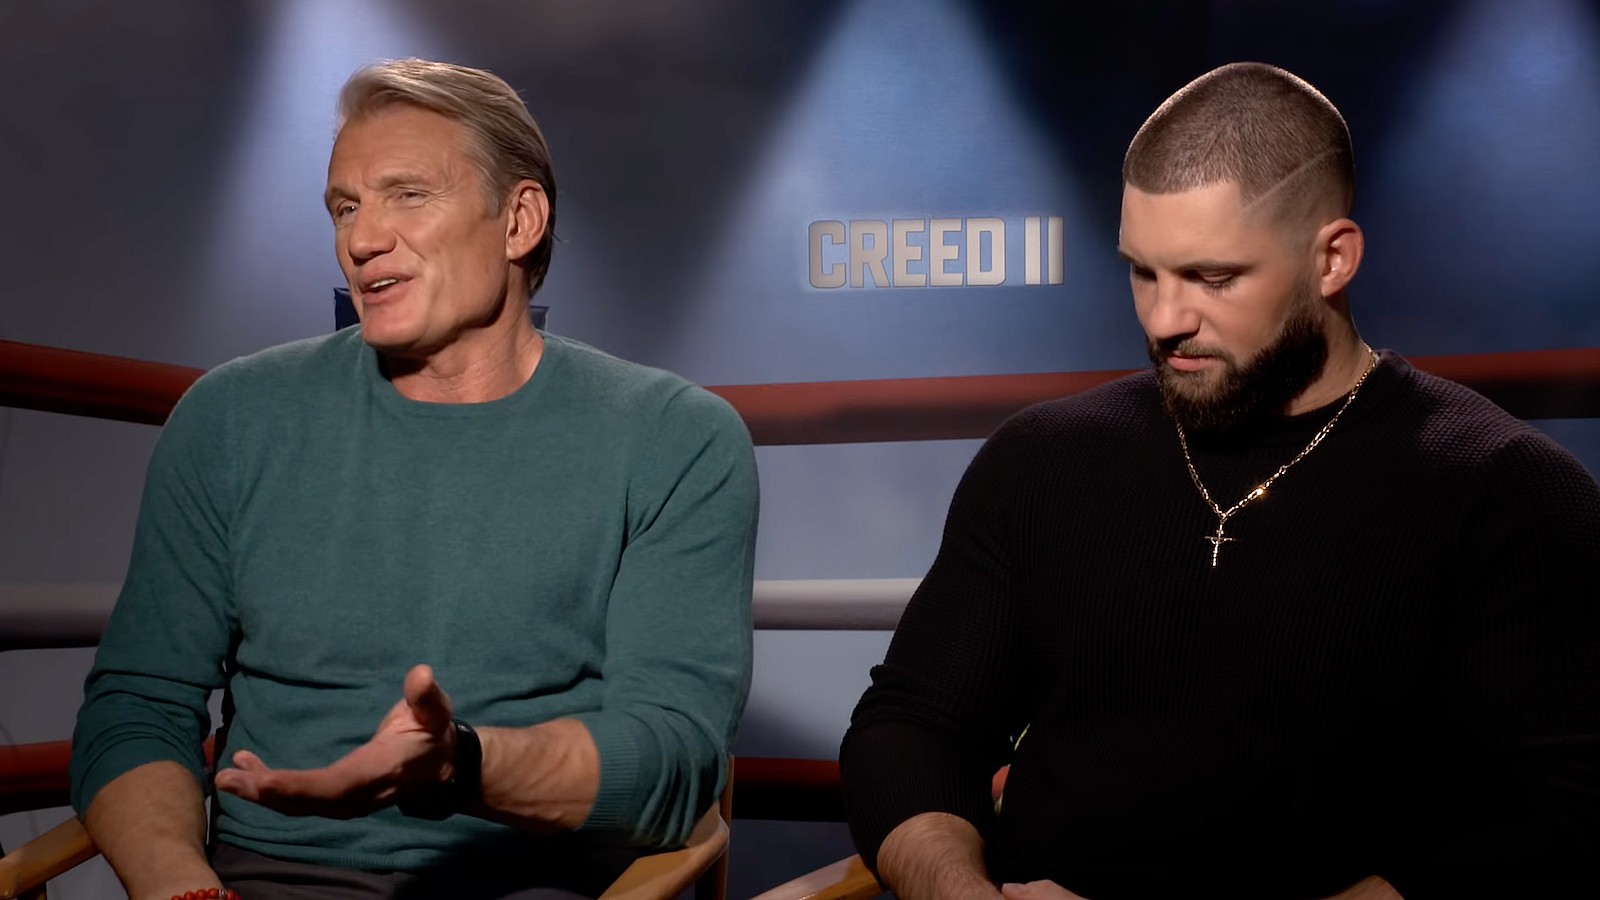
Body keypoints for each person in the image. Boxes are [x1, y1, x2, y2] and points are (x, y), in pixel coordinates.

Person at [840, 61, 1600, 900]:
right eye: (1143, 271)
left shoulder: (1503, 491)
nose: (1166, 320)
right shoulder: (1041, 460)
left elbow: (1563, 817)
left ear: (1332, 259)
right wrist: (961, 892)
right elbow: (912, 728)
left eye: (1212, 277)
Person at [69, 58, 759, 900]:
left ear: (519, 221)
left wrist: (458, 765)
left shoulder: (674, 438)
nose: (362, 240)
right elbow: (137, 708)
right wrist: (188, 891)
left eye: (408, 195)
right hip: (257, 882)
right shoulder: (230, 418)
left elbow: (674, 757)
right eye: (345, 206)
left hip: (530, 882)